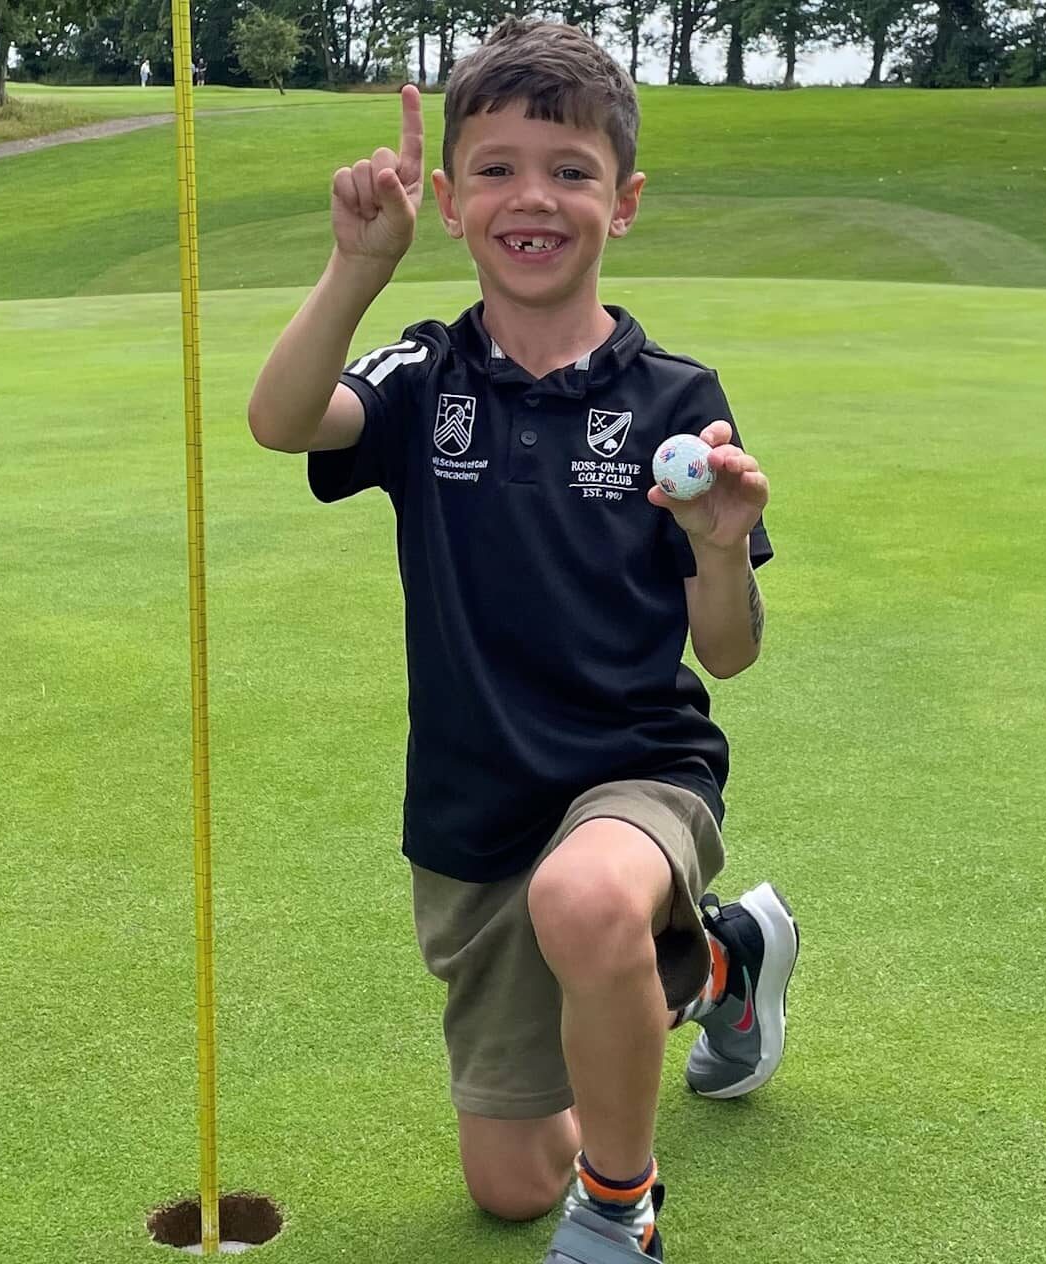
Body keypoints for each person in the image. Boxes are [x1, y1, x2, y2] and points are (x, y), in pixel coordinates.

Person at [245, 19, 798, 1264]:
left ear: (627, 200)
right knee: (507, 1181)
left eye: (569, 169)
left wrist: (718, 548)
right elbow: (283, 421)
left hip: (637, 771)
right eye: (494, 169)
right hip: (475, 809)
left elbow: (731, 653)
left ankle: (620, 1208)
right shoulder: (425, 372)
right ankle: (720, 959)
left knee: (589, 894)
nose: (530, 198)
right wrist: (355, 268)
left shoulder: (676, 401)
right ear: (446, 199)